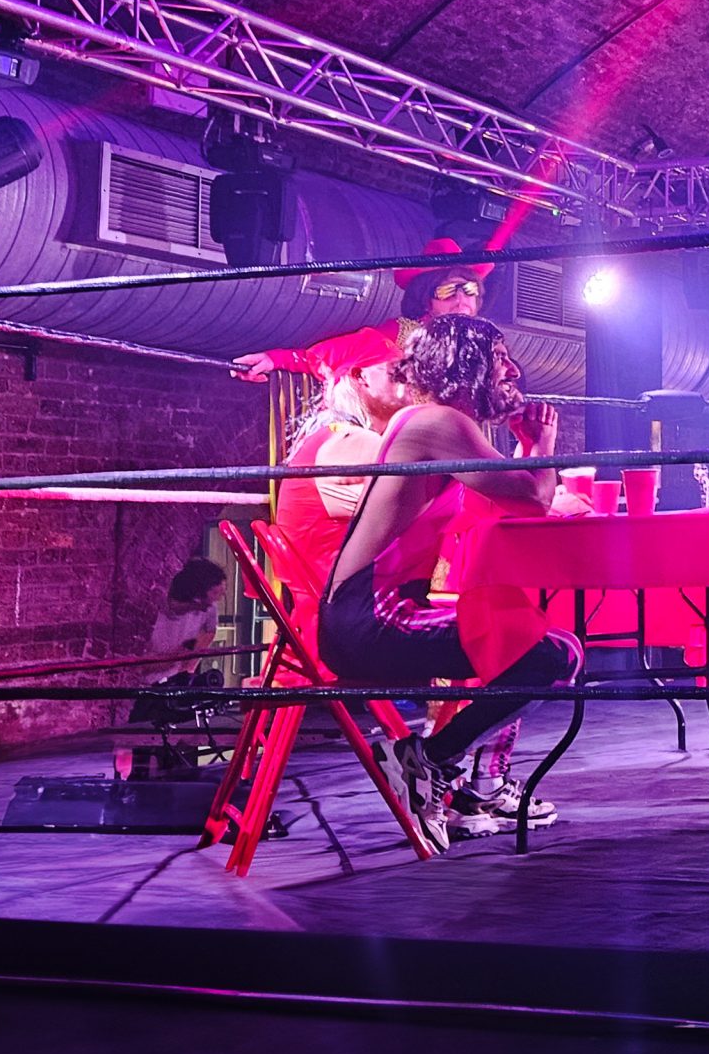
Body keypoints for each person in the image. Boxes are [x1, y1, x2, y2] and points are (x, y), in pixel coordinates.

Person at [322, 314, 583, 850]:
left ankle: (446, 766)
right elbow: (534, 498)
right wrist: (543, 442)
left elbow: (517, 503)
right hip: (369, 620)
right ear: (467, 365)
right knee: (549, 655)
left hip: (375, 613)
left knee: (541, 647)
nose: (513, 371)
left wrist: (529, 453)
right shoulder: (437, 423)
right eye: (500, 358)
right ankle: (432, 760)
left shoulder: (437, 423)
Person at [229, 236, 493, 385]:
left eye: (469, 289)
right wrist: (276, 360)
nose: (461, 299)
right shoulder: (403, 335)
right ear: (427, 301)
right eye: (448, 291)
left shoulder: (484, 346)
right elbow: (331, 356)